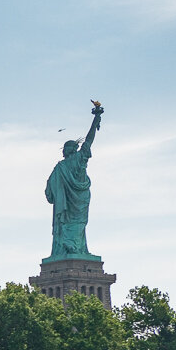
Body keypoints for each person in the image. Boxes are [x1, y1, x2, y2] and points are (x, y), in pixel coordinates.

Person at [45, 101, 103, 257]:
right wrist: (96, 119)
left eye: (65, 148)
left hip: (73, 202)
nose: (63, 151)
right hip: (81, 198)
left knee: (73, 224)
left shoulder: (61, 167)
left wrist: (96, 119)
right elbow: (89, 139)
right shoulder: (68, 164)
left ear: (68, 150)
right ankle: (74, 249)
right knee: (78, 224)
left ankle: (75, 249)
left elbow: (49, 194)